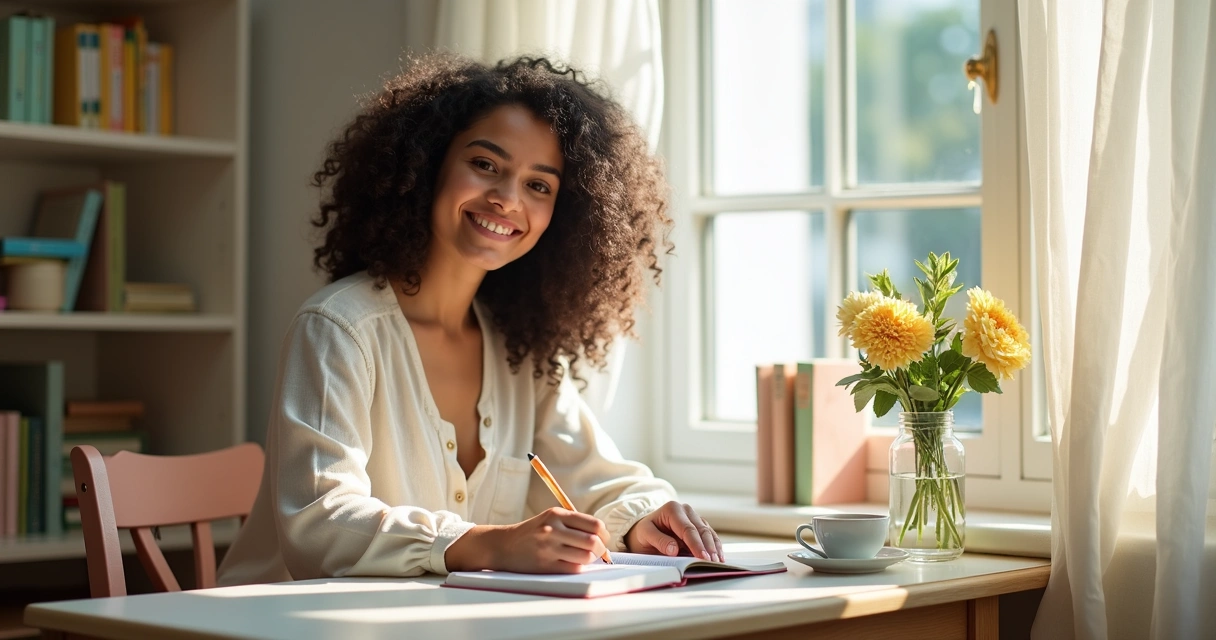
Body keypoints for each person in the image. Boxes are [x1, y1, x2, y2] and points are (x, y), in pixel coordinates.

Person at [217, 53, 724, 585]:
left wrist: (646, 516)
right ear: (427, 163)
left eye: (539, 186)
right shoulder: (338, 329)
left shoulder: (518, 353)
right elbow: (320, 523)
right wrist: (490, 544)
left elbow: (598, 479)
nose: (507, 200)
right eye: (485, 164)